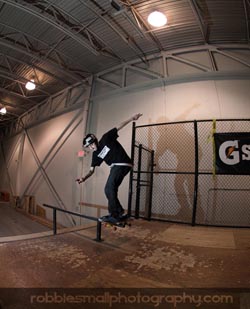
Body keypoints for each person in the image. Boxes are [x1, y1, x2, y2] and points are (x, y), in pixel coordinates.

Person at [76, 113, 142, 223]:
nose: (92, 147)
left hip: (121, 163)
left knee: (109, 187)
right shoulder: (96, 155)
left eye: (92, 144)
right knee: (110, 190)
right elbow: (92, 170)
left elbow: (118, 127)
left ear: (95, 140)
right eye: (89, 147)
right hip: (118, 167)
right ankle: (120, 213)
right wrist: (84, 178)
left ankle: (114, 215)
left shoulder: (106, 138)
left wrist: (131, 118)